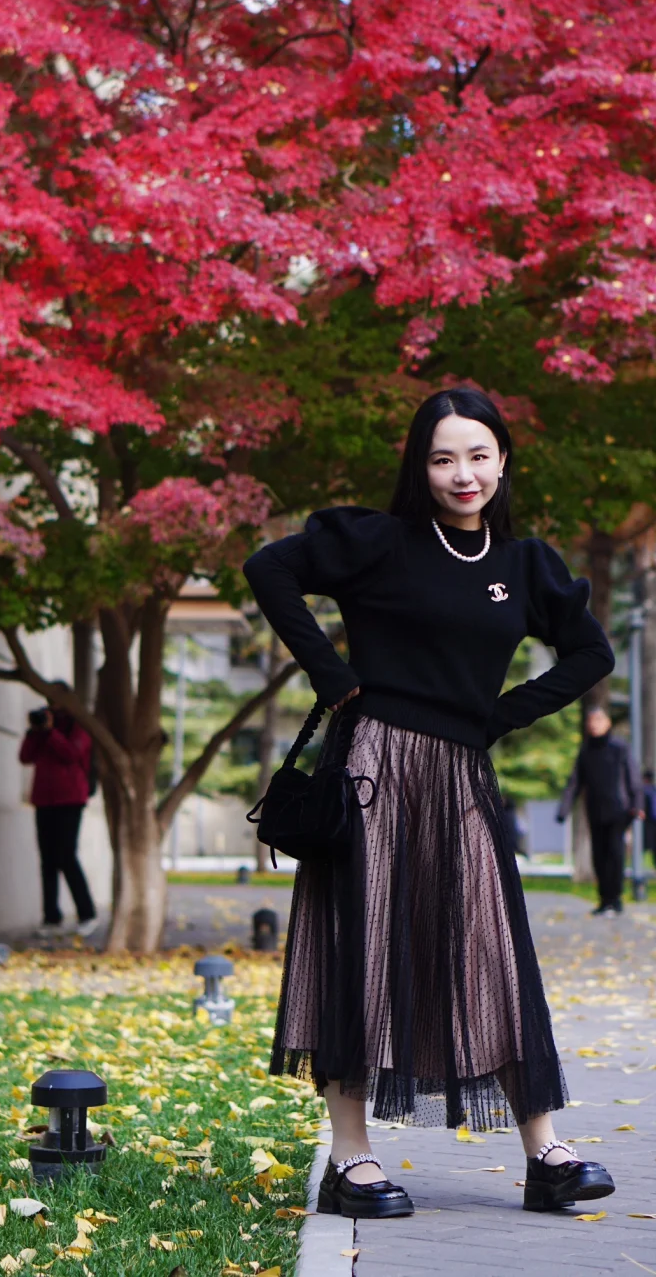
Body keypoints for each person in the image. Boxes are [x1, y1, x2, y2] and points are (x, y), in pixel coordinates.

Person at [244, 386, 617, 1221]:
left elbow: (592, 652)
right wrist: (333, 679)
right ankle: (351, 1160)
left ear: (502, 461)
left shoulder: (526, 565)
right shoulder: (378, 543)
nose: (463, 474)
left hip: (459, 779)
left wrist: (502, 714)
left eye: (478, 455)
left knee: (493, 951)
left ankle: (546, 1154)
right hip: (373, 763)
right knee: (361, 948)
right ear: (421, 465)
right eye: (444, 457)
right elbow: (269, 568)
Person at [19, 703, 99, 939]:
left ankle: (87, 914)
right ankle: (51, 917)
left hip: (70, 799)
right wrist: (36, 731)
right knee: (48, 861)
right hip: (44, 800)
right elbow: (25, 757)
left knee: (66, 856)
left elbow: (71, 755)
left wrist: (52, 732)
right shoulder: (41, 730)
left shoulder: (77, 726)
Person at [556, 708, 643, 916]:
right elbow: (575, 781)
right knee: (599, 856)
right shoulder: (586, 751)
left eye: (598, 720)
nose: (593, 724)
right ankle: (604, 899)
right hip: (595, 810)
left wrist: (638, 804)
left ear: (608, 723)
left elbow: (633, 776)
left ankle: (616, 898)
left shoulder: (620, 747)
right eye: (590, 721)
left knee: (615, 854)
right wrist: (564, 808)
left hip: (619, 809)